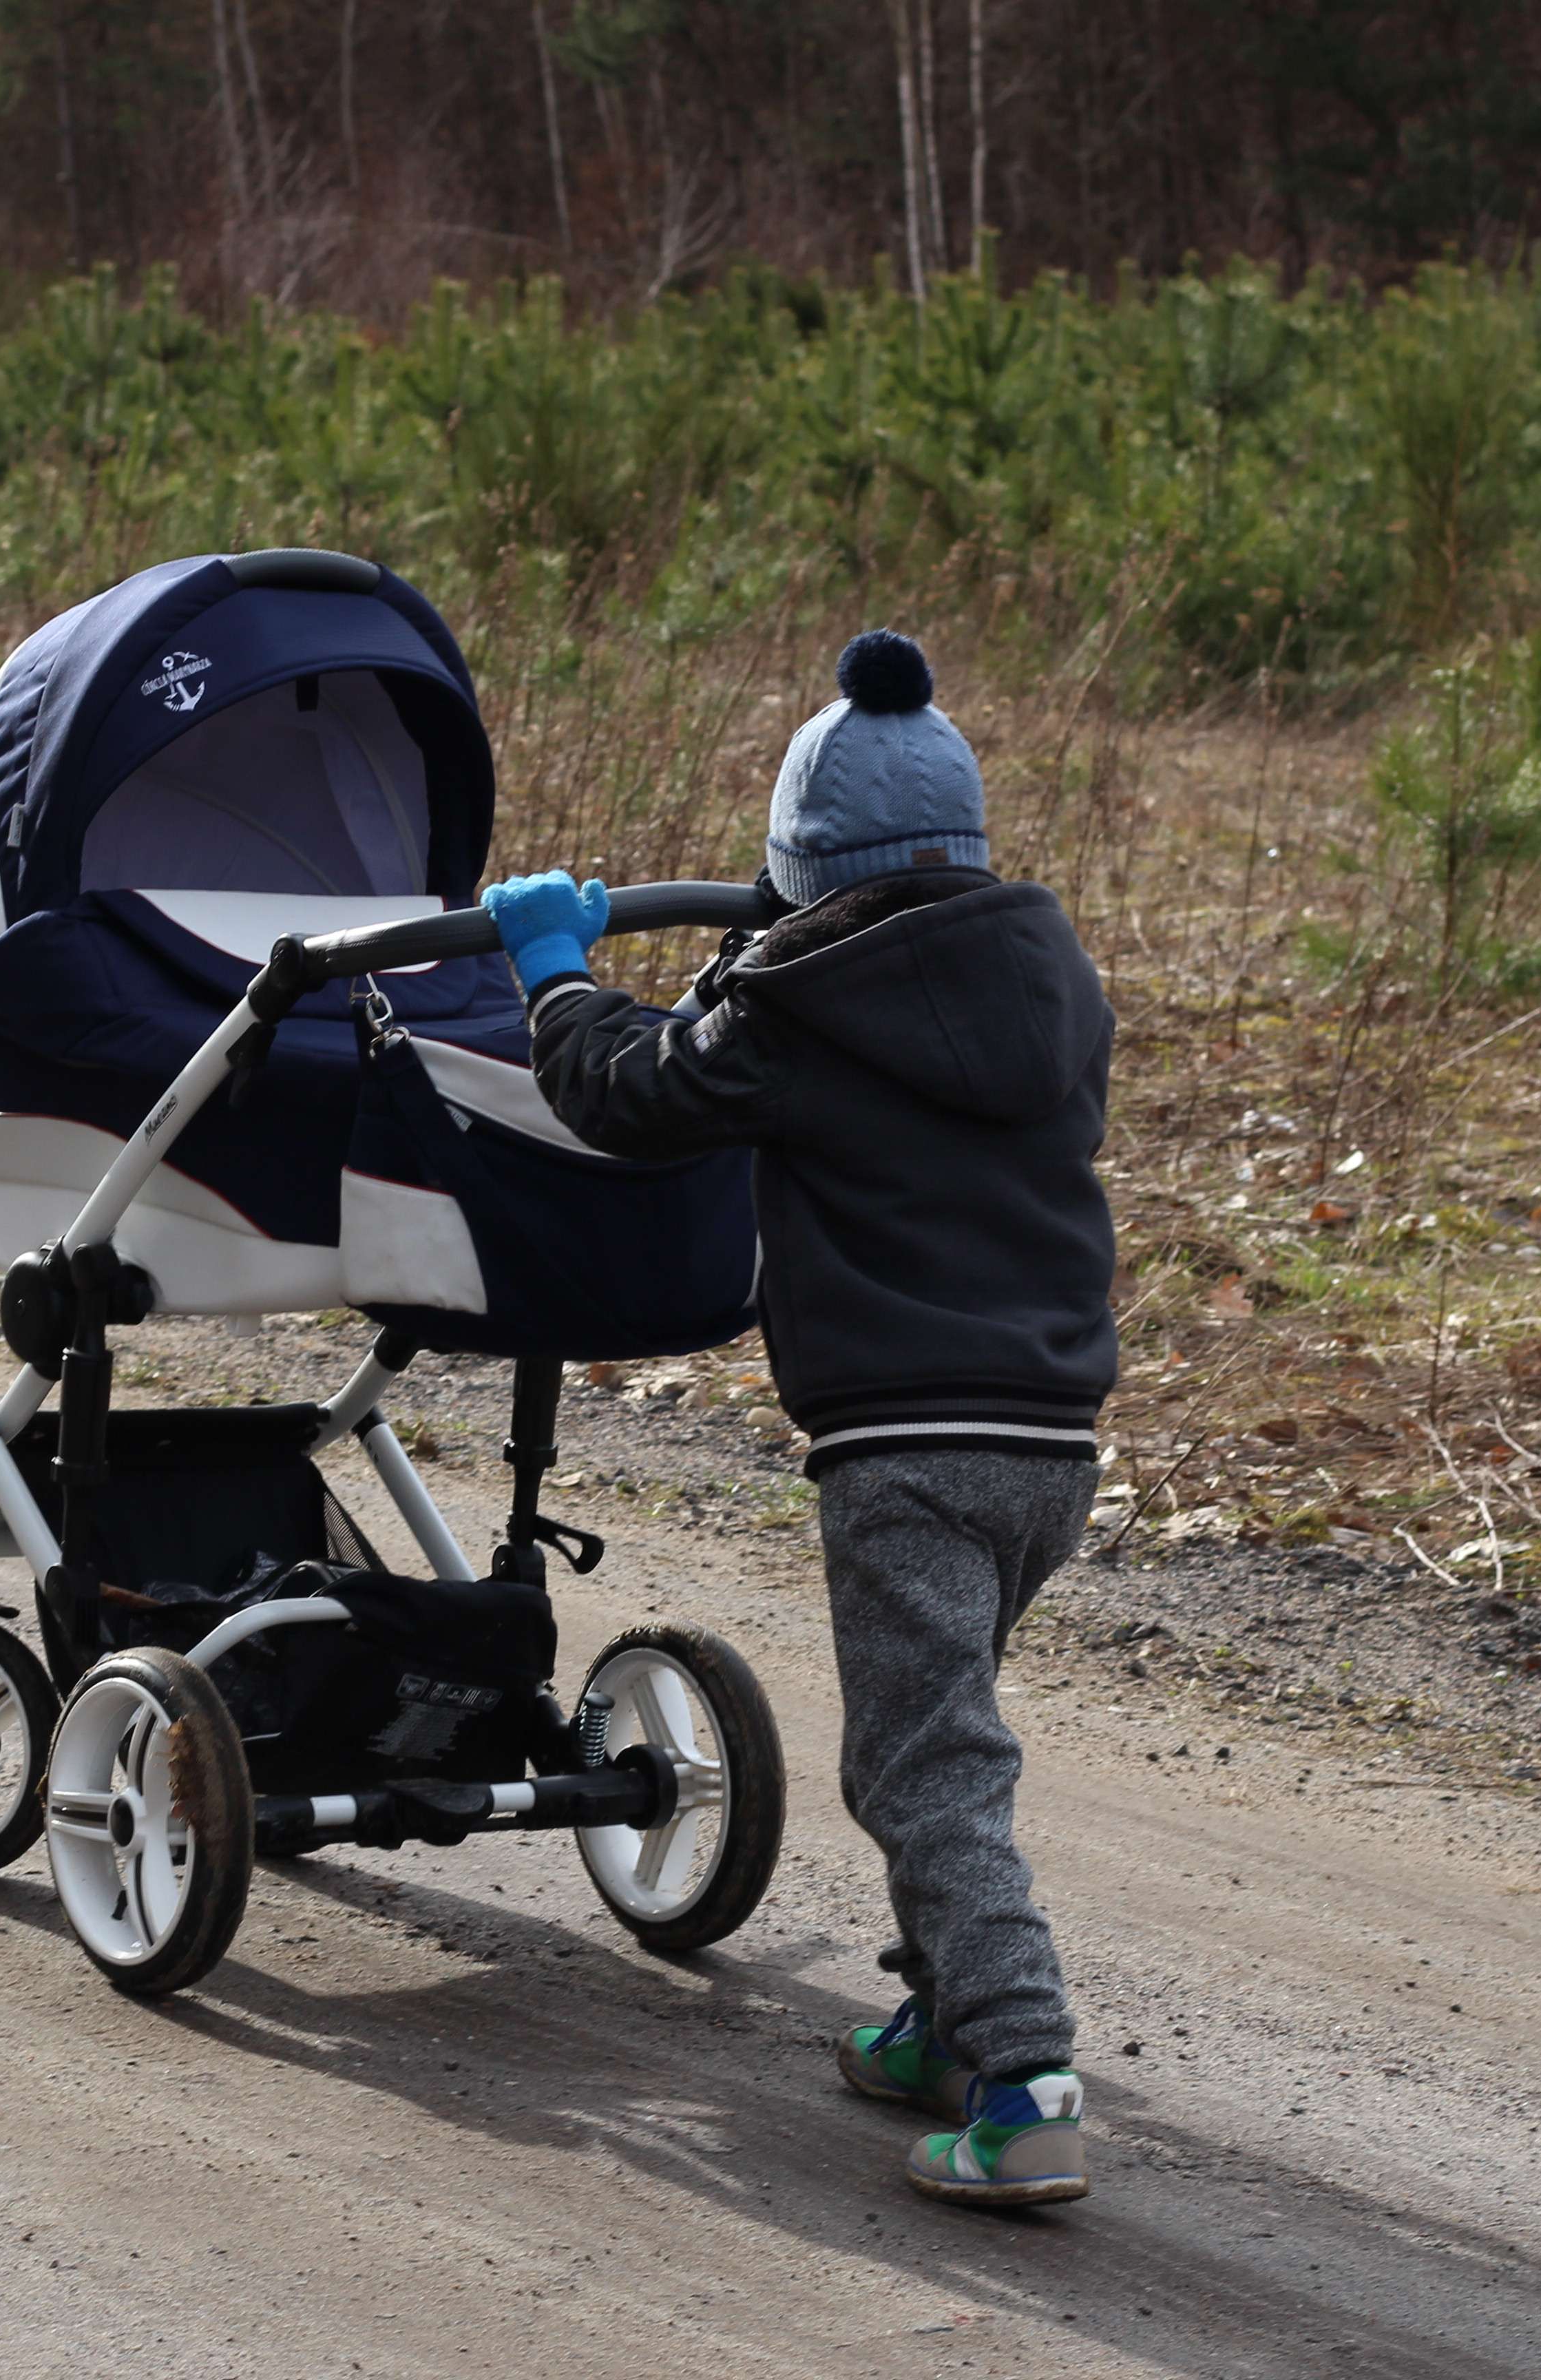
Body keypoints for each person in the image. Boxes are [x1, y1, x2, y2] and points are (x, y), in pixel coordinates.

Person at [480, 627, 1117, 2207]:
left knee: (922, 1766)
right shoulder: (1050, 988)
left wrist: (553, 970)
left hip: (907, 1448)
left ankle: (1025, 2076)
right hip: (1051, 1439)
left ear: (800, 869)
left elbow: (628, 1092)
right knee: (937, 1725)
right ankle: (943, 2021)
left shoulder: (794, 1014)